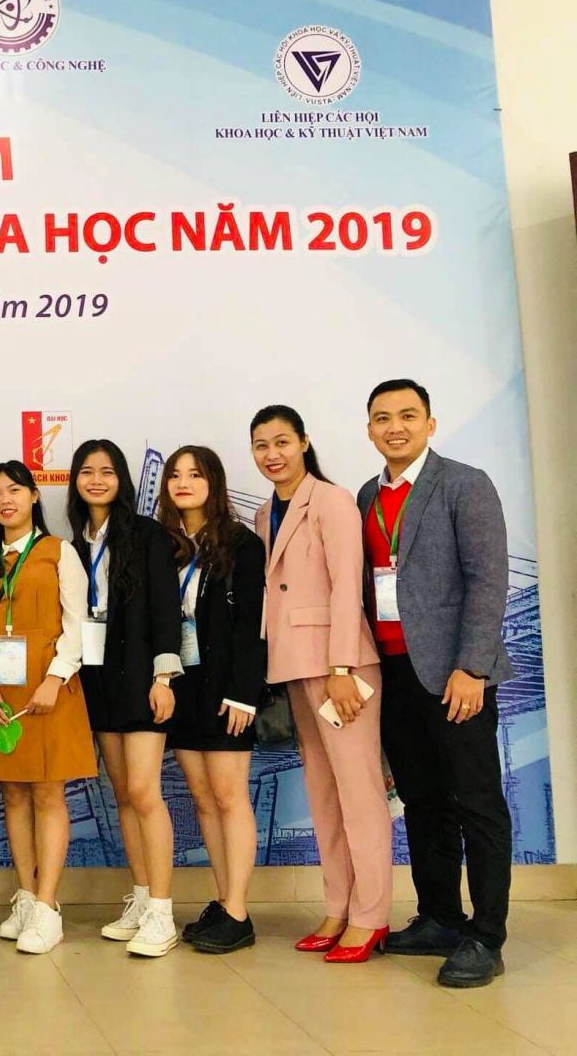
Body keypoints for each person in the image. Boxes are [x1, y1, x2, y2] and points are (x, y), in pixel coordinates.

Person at [359, 379, 513, 987]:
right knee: (422, 800)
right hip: (395, 674)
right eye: (382, 418)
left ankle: (487, 936)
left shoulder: (464, 484)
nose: (394, 426)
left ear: (429, 423)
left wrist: (473, 667)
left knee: (476, 803)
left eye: (407, 415)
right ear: (369, 429)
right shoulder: (368, 495)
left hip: (455, 674)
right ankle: (441, 918)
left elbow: (487, 580)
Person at [250, 405, 391, 963]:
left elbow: (346, 587)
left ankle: (371, 916)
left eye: (282, 442)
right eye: (261, 445)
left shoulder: (331, 501)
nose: (272, 454)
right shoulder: (264, 512)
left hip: (341, 668)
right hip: (292, 664)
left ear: (304, 442)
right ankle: (338, 907)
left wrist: (341, 669)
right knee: (324, 795)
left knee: (360, 794)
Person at [67, 440, 184, 958]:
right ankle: (140, 898)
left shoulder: (146, 534)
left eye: (107, 471)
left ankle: (162, 910)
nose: (97, 480)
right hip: (96, 678)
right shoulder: (75, 543)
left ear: (121, 481)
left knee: (144, 791)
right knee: (122, 794)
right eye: (87, 472)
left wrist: (163, 677)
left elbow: (165, 608)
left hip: (140, 676)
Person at [0, 460, 92, 955]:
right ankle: (25, 896)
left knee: (47, 793)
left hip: (49, 689)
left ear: (34, 497)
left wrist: (56, 677)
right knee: (13, 796)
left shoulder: (58, 551)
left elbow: (78, 622)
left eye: (15, 490)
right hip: (0, 692)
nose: (6, 500)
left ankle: (47, 906)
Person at [157, 446, 267, 954]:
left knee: (228, 796)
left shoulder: (241, 543)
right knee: (202, 798)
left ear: (214, 483)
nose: (183, 483)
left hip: (227, 690)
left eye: (195, 474)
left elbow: (252, 624)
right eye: (175, 475)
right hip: (183, 685)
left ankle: (239, 911)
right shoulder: (166, 545)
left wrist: (244, 692)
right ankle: (225, 903)